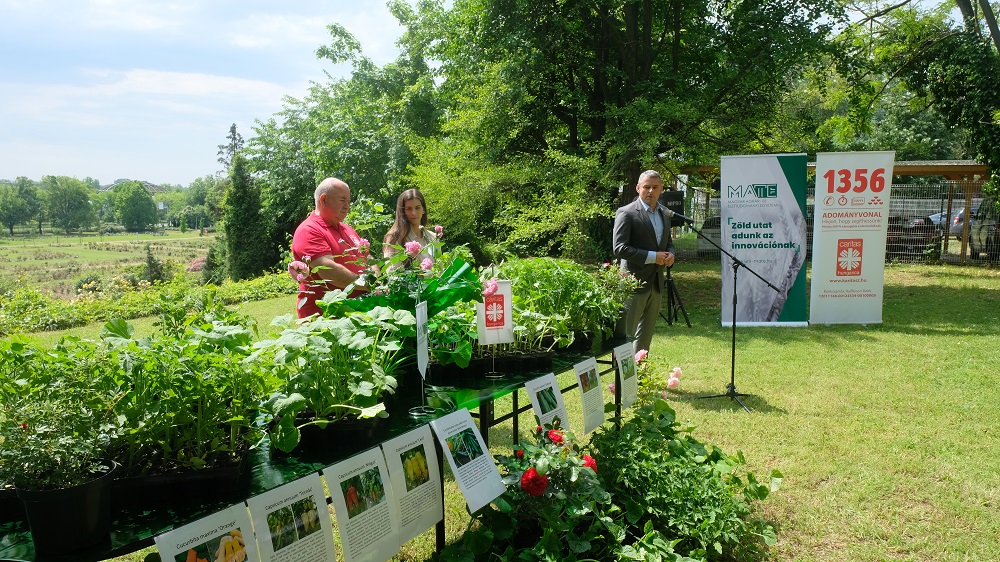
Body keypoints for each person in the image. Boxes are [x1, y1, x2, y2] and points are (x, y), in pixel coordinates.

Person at [613, 170, 675, 354]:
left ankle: (641, 378)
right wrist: (652, 257)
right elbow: (619, 248)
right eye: (646, 187)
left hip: (656, 283)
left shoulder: (665, 214)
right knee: (625, 337)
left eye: (655, 187)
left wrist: (671, 255)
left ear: (661, 189)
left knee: (644, 340)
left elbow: (668, 244)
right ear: (638, 188)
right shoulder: (627, 213)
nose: (650, 191)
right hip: (633, 283)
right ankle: (622, 382)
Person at [291, 177, 372, 319]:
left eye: (348, 201)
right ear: (323, 200)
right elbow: (329, 272)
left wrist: (377, 277)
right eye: (342, 200)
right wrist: (370, 284)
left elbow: (368, 259)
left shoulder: (348, 229)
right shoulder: (309, 230)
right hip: (326, 319)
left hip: (356, 314)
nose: (347, 206)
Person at [383, 188, 439, 265]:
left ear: (423, 209)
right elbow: (392, 273)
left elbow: (440, 269)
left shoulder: (433, 238)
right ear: (402, 212)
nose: (413, 212)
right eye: (409, 209)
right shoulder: (394, 239)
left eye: (417, 207)